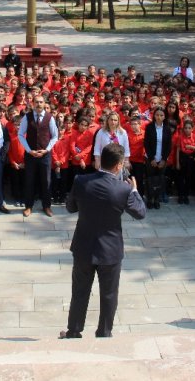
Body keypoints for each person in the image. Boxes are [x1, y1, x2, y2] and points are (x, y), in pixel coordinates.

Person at [61, 144, 146, 339]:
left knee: (80, 291)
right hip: (110, 250)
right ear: (118, 166)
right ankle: (104, 332)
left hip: (84, 246)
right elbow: (140, 213)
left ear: (101, 161)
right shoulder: (123, 190)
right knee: (109, 294)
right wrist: (134, 191)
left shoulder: (81, 181)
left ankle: (74, 330)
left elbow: (70, 207)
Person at [18, 95, 59, 218]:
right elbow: (20, 134)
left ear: (44, 103)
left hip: (45, 155)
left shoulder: (49, 117)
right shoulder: (27, 117)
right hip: (30, 155)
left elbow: (55, 136)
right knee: (29, 181)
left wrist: (46, 150)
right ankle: (28, 206)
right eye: (37, 102)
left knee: (46, 181)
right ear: (33, 103)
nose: (39, 104)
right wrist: (29, 150)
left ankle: (46, 206)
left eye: (41, 102)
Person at [143, 107, 172, 209]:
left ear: (164, 117)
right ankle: (150, 198)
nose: (159, 117)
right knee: (150, 179)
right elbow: (146, 144)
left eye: (161, 115)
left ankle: (156, 199)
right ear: (154, 116)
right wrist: (152, 159)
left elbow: (169, 145)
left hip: (162, 159)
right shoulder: (149, 127)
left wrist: (164, 159)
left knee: (160, 179)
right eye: (157, 115)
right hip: (150, 158)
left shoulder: (167, 129)